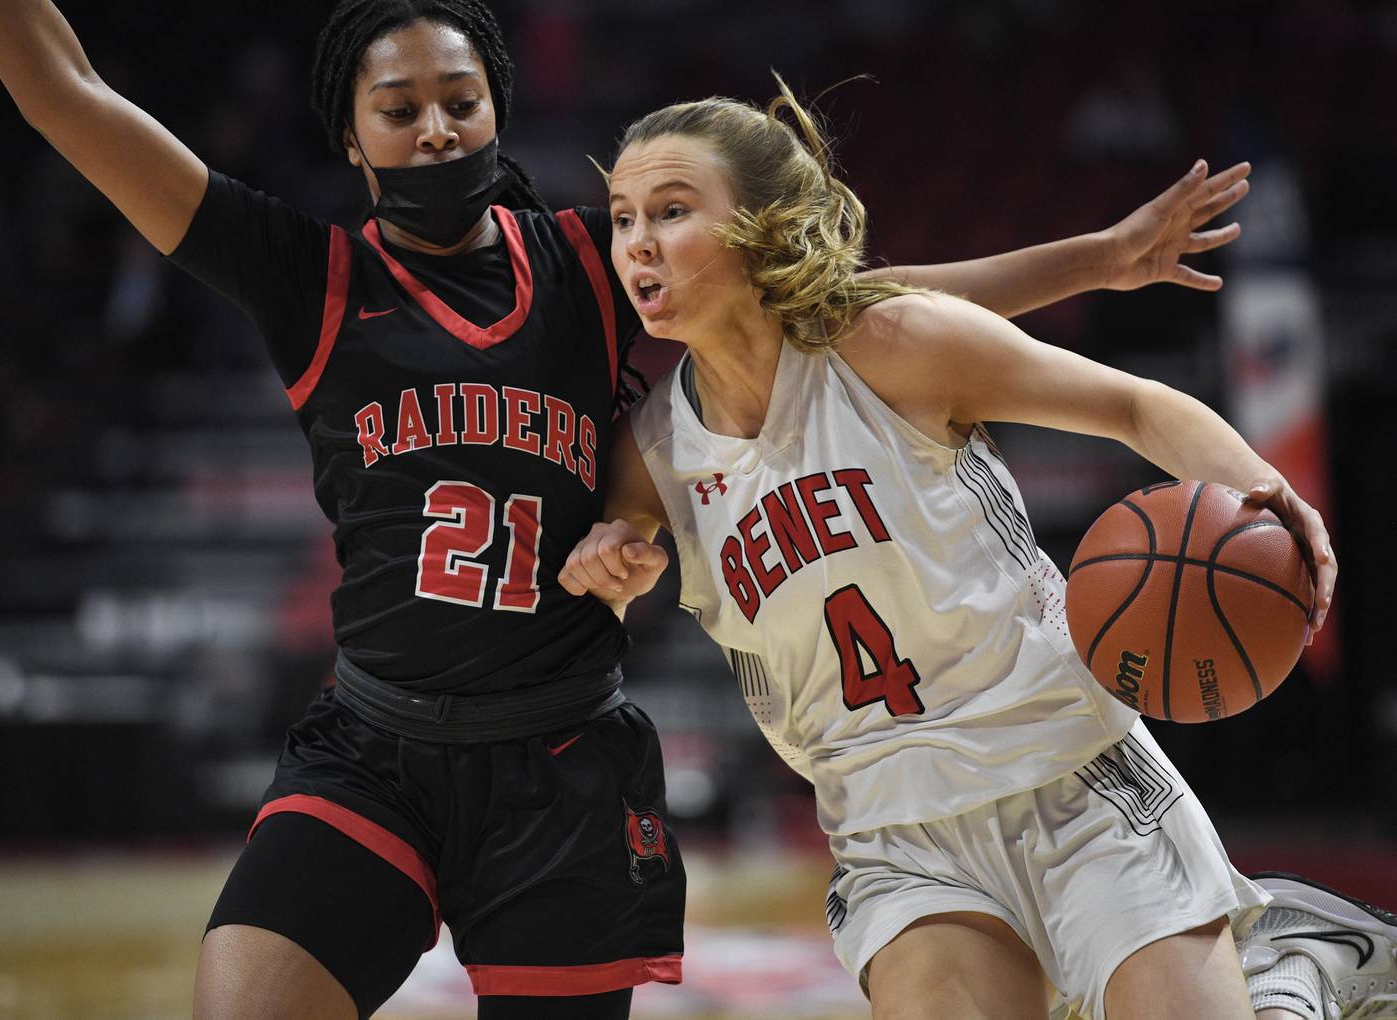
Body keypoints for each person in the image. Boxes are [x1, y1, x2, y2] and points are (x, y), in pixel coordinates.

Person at [0, 1, 1276, 1017]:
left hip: (561, 767)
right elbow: (70, 99)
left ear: (496, 111)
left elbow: (841, 294)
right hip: (378, 746)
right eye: (398, 107)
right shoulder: (307, 277)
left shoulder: (597, 260)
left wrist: (1096, 260)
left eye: (460, 101)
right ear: (348, 138)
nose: (432, 130)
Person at [555, 80, 1395, 1020]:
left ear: (761, 226)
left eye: (672, 211)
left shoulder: (890, 343)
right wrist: (611, 570)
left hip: (1072, 773)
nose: (637, 240)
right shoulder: (651, 453)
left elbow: (1136, 406)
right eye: (624, 216)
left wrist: (1260, 492)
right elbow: (611, 588)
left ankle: (1296, 961)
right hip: (893, 832)